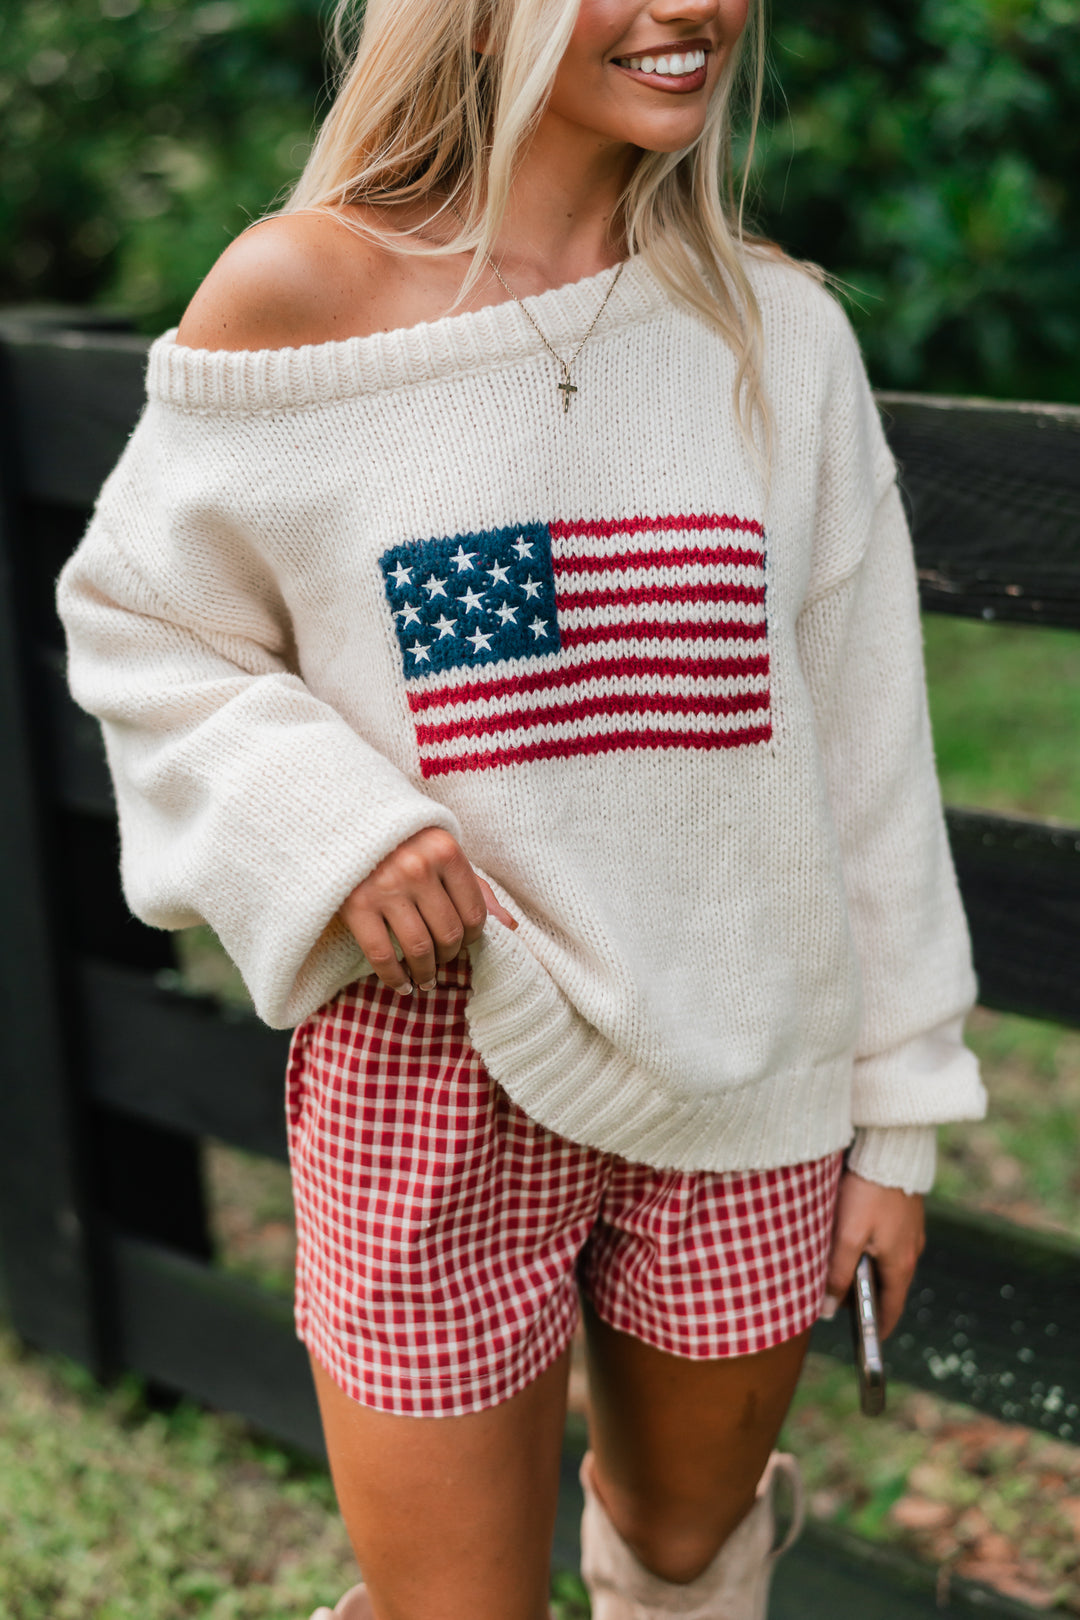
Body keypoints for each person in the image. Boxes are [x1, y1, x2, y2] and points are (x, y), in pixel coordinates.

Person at [57, 0, 988, 1615]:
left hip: (743, 1063)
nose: (690, 8)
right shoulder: (302, 293)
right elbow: (144, 622)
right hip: (431, 1062)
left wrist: (895, 1111)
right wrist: (327, 823)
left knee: (690, 1554)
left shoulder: (780, 335)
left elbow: (868, 744)